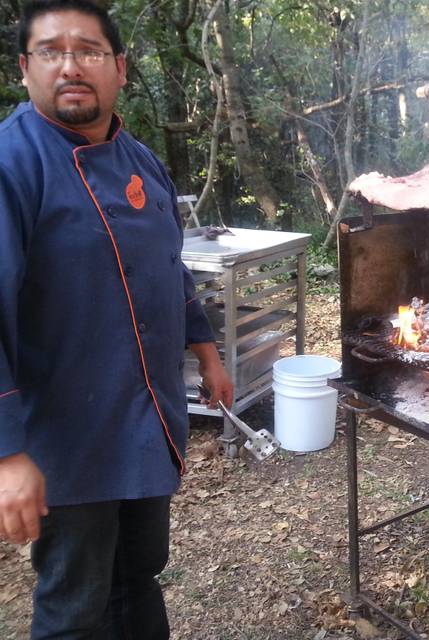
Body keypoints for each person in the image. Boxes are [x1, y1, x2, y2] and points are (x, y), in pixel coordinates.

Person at [0, 1, 234, 637]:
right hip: (66, 437)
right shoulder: (11, 164)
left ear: (120, 68)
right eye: (51, 51)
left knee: (137, 575)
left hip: (145, 414)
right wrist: (7, 454)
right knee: (76, 602)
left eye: (89, 50)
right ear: (26, 69)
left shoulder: (139, 159)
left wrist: (207, 350)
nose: (71, 66)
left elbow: (167, 263)